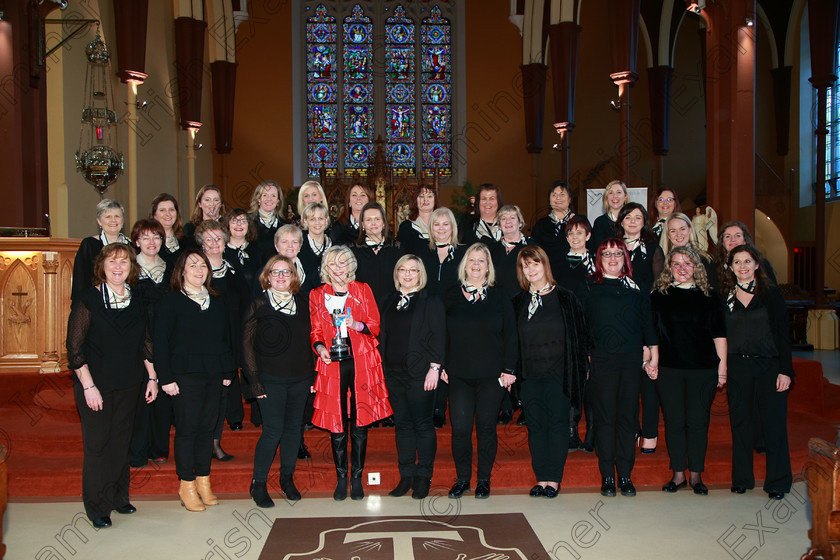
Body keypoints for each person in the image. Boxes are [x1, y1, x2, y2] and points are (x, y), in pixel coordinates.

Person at [66, 243, 158, 528]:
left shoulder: (136, 298)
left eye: (124, 263)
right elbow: (74, 346)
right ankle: (97, 507)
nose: (118, 267)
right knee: (98, 446)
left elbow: (145, 341)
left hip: (130, 382)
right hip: (96, 384)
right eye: (112, 262)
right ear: (102, 267)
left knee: (121, 443)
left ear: (131, 267)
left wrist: (153, 377)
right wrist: (88, 386)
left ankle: (118, 498)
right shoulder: (88, 299)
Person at [575, 238, 658, 498]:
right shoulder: (589, 286)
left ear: (625, 258)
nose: (613, 258)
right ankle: (607, 476)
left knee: (627, 419)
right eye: (607, 254)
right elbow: (581, 325)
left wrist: (653, 353)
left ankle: (625, 475)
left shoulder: (636, 287)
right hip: (601, 360)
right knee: (605, 419)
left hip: (631, 360)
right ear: (599, 258)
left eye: (618, 254)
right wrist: (587, 355)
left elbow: (648, 323)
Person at [155, 249, 236, 512]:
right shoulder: (171, 302)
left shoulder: (217, 301)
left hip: (213, 375)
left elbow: (224, 341)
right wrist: (165, 378)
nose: (199, 270)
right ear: (181, 272)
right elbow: (160, 343)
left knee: (207, 430)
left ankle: (203, 480)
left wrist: (227, 372)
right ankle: (186, 484)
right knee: (187, 431)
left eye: (203, 265)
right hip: (183, 377)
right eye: (193, 266)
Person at [309, 246, 392, 501]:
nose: (338, 268)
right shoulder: (316, 294)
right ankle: (341, 476)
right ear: (326, 267)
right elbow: (315, 332)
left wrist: (357, 325)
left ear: (351, 265)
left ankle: (357, 477)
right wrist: (321, 348)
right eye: (333, 263)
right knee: (336, 418)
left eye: (343, 263)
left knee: (359, 417)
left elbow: (375, 326)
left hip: (361, 360)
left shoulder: (362, 290)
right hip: (333, 362)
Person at [648, 246, 727, 496]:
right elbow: (653, 336)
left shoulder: (710, 296)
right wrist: (650, 361)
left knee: (697, 422)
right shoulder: (658, 296)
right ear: (669, 267)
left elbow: (719, 334)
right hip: (669, 369)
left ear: (697, 267)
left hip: (703, 369)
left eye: (688, 264)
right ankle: (678, 473)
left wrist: (722, 367)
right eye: (677, 264)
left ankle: (696, 475)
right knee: (674, 422)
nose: (682, 269)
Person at [442, 243, 517, 499]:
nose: (476, 265)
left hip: (492, 375)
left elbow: (511, 335)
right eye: (472, 260)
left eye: (481, 261)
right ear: (465, 265)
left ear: (488, 267)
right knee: (460, 428)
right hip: (459, 374)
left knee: (486, 427)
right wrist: (440, 364)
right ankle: (463, 478)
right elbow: (441, 333)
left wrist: (509, 369)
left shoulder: (499, 295)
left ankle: (484, 479)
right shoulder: (451, 295)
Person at [514, 246, 590, 498]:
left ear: (545, 265)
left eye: (535, 263)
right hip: (530, 376)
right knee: (535, 427)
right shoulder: (518, 302)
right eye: (526, 266)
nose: (531, 269)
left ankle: (554, 480)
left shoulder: (566, 298)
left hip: (560, 375)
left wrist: (582, 370)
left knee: (557, 426)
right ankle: (541, 478)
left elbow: (581, 338)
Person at [242, 256, 315, 506]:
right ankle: (258, 483)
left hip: (300, 378)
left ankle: (287, 478)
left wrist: (313, 375)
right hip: (270, 379)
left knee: (293, 430)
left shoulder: (304, 303)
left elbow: (312, 339)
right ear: (268, 277)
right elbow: (247, 345)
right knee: (272, 431)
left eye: (286, 272)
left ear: (294, 277)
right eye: (276, 272)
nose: (281, 277)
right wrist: (254, 380)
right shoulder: (259, 304)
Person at [722, 244, 792, 500]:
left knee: (773, 425)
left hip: (769, 366)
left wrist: (786, 370)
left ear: (757, 265)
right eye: (737, 262)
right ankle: (741, 479)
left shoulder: (770, 294)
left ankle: (778, 482)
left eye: (747, 261)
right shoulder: (725, 296)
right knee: (740, 424)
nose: (742, 266)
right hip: (737, 366)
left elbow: (783, 334)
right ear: (730, 267)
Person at [379, 255, 445, 499]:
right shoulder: (388, 301)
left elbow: (439, 335)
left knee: (423, 425)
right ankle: (406, 475)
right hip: (394, 373)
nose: (407, 275)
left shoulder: (431, 301)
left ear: (421, 274)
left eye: (413, 270)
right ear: (396, 274)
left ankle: (423, 477)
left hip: (421, 374)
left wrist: (435, 368)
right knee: (403, 426)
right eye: (403, 270)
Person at [614, 202, 665, 455]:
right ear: (621, 221)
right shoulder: (612, 249)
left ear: (644, 222)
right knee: (626, 381)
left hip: (645, 319)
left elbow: (658, 291)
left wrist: (649, 337)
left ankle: (650, 432)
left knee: (648, 378)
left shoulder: (654, 250)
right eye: (628, 217)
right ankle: (631, 426)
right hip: (619, 323)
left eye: (638, 217)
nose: (633, 221)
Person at [195, 220, 249, 453]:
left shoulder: (234, 267)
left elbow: (245, 300)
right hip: (205, 336)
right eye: (209, 239)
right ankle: (207, 438)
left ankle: (228, 425)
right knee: (209, 385)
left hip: (232, 330)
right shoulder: (197, 270)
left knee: (229, 378)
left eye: (218, 238)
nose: (215, 243)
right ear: (201, 244)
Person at [128, 219, 172, 468]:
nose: (151, 242)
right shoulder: (129, 268)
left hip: (165, 338)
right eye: (145, 237)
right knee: (140, 394)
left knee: (163, 393)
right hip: (136, 339)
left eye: (156, 237)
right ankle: (137, 450)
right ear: (137, 241)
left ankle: (158, 448)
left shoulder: (171, 267)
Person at [554, 215, 596, 452]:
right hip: (565, 329)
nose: (575, 237)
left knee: (590, 381)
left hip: (591, 328)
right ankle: (570, 429)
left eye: (580, 233)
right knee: (570, 380)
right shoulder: (557, 263)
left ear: (588, 236)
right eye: (571, 233)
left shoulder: (598, 263)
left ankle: (591, 431)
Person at [420, 206, 465, 428]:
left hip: (455, 316)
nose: (441, 228)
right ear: (431, 227)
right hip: (428, 316)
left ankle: (446, 407)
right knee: (432, 358)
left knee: (451, 360)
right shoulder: (423, 253)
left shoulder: (463, 253)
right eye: (436, 224)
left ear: (453, 227)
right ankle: (433, 405)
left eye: (446, 224)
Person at [71, 199, 130, 304]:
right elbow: (80, 280)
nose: (113, 221)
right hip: (96, 303)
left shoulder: (132, 246)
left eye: (117, 216)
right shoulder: (89, 244)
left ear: (123, 220)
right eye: (108, 217)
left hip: (127, 302)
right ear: (99, 221)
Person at [352, 202, 403, 310]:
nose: (373, 223)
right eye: (369, 220)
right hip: (363, 310)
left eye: (377, 219)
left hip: (392, 310)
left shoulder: (396, 248)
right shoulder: (353, 250)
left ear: (384, 223)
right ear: (362, 224)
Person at [531, 181, 580, 281]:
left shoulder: (580, 222)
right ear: (549, 199)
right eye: (554, 195)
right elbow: (534, 252)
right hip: (547, 278)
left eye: (562, 195)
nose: (558, 198)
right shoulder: (541, 224)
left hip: (575, 277)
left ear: (570, 198)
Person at [663, 213, 718, 291]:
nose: (679, 234)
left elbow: (714, 292)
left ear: (690, 230)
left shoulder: (705, 259)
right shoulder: (662, 260)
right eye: (673, 231)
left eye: (682, 229)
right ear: (668, 235)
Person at [491, 204, 534, 300]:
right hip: (498, 304)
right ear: (499, 225)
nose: (508, 222)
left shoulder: (531, 247)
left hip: (523, 303)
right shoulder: (492, 249)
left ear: (520, 223)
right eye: (503, 219)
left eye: (512, 218)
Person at [715, 220, 778, 286]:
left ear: (745, 240)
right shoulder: (716, 266)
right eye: (728, 236)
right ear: (722, 242)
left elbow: (774, 293)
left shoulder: (762, 264)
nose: (733, 240)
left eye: (738, 236)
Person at [222, 208, 264, 296]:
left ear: (249, 225)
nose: (239, 224)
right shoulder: (221, 251)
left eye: (243, 221)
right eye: (234, 221)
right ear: (228, 225)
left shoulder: (258, 251)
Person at [297, 202, 332, 293]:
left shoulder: (334, 248)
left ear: (326, 219)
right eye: (312, 219)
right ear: (305, 221)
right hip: (304, 299)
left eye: (320, 218)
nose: (317, 223)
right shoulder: (298, 247)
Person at [396, 184, 440, 256]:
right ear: (416, 201)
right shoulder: (406, 227)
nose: (426, 200)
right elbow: (401, 255)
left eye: (429, 196)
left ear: (435, 200)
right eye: (421, 196)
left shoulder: (443, 227)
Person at [249, 180, 286, 261]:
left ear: (278, 200)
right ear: (258, 199)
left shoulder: (284, 226)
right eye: (265, 195)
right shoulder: (248, 223)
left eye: (273, 196)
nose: (269, 199)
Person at [183, 185, 225, 249]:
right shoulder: (190, 228)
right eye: (207, 200)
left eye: (216, 200)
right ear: (199, 204)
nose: (212, 204)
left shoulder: (228, 225)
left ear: (221, 204)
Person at [591, 180, 628, 248]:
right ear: (606, 197)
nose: (615, 196)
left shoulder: (632, 222)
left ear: (625, 196)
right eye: (611, 193)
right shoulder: (600, 222)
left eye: (619, 192)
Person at [150, 193, 185, 266]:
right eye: (162, 210)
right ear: (154, 215)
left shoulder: (186, 241)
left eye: (171, 210)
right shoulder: (148, 242)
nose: (168, 214)